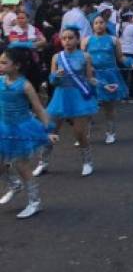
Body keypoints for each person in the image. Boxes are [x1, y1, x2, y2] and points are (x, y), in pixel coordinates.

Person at [0, 48, 57, 218]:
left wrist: (47, 130)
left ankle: (35, 202)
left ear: (16, 66)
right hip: (3, 126)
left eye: (4, 63)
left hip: (22, 127)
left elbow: (38, 109)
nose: (0, 65)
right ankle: (14, 185)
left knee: (21, 165)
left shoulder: (25, 85)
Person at [36, 26, 99, 177]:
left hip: (78, 97)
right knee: (50, 130)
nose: (67, 41)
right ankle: (43, 163)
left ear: (77, 39)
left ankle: (87, 162)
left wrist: (99, 83)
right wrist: (56, 76)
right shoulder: (57, 57)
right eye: (64, 38)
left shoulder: (85, 56)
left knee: (79, 133)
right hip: (60, 96)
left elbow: (89, 78)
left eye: (70, 38)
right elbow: (52, 81)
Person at [83, 16, 133, 144]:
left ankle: (110, 132)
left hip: (110, 76)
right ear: (92, 25)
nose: (99, 25)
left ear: (105, 24)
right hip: (92, 76)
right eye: (96, 23)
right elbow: (82, 57)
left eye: (101, 22)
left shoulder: (114, 40)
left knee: (109, 107)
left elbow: (120, 57)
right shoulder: (86, 40)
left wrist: (131, 63)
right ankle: (84, 134)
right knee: (88, 106)